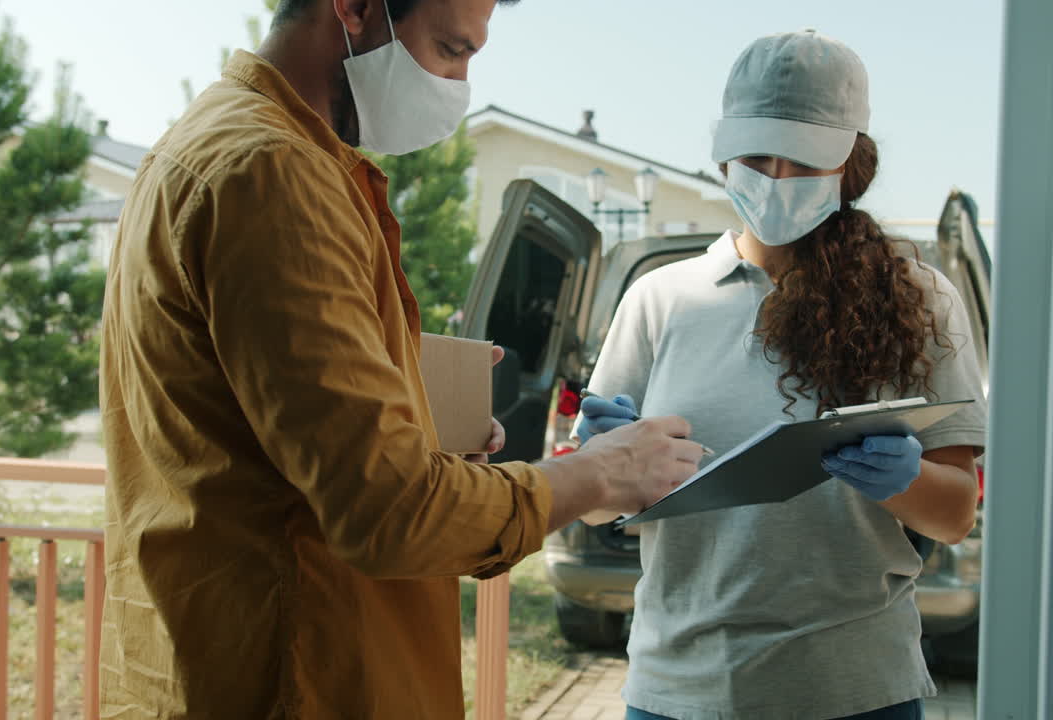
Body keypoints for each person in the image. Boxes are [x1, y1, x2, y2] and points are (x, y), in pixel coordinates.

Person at [98, 0, 704, 717]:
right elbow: (388, 513)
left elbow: (255, 432)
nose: (459, 84)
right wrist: (598, 475)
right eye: (450, 49)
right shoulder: (273, 174)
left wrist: (419, 426)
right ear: (354, 9)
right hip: (296, 677)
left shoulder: (204, 142)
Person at [576, 31, 988, 720]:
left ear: (850, 166)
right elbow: (593, 508)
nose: (774, 177)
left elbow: (954, 516)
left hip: (856, 690)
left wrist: (908, 480)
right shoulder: (660, 299)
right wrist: (598, 464)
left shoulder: (921, 299)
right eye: (756, 156)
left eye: (801, 159)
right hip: (680, 690)